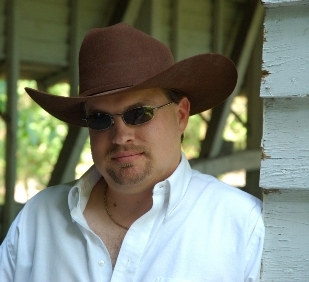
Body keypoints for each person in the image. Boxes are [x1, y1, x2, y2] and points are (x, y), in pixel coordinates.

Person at [0, 23, 264, 282]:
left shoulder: (243, 226)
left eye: (139, 113)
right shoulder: (39, 218)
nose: (120, 135)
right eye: (100, 119)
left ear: (181, 115)